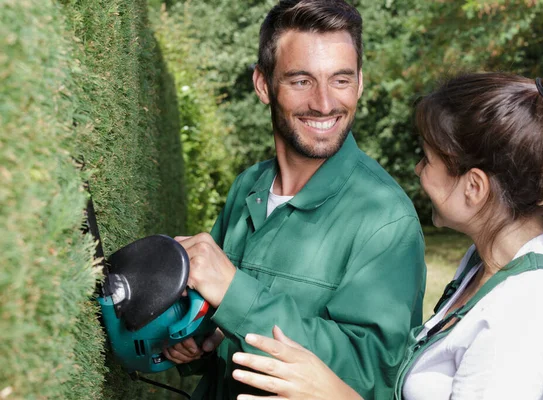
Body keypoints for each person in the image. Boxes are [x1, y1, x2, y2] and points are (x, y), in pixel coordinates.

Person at [229, 71, 543, 400]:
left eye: (427, 158)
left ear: (474, 187)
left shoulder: (525, 311)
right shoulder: (484, 265)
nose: (419, 169)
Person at [163, 1, 427, 399]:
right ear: (263, 85)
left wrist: (235, 294)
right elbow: (217, 318)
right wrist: (197, 337)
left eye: (340, 80)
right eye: (302, 81)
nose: (324, 103)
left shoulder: (385, 218)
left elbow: (370, 372)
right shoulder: (248, 186)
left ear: (360, 83)